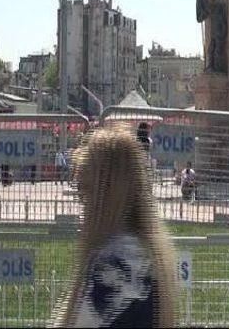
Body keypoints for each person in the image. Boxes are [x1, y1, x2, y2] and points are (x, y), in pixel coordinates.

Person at [52, 124, 177, 328]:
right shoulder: (153, 257)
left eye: (85, 193)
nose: (83, 207)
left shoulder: (109, 269)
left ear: (103, 196)